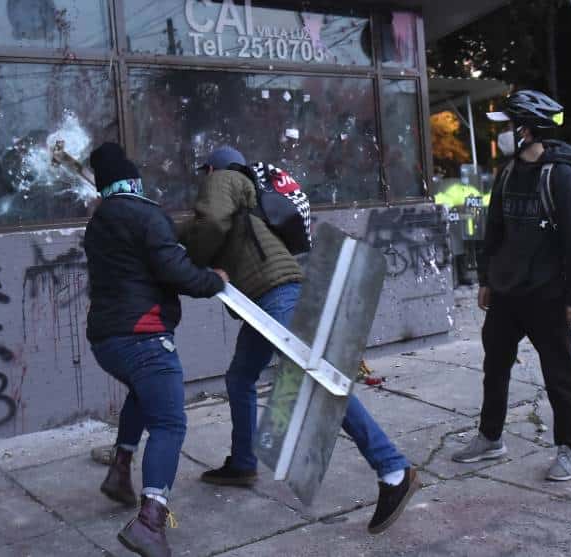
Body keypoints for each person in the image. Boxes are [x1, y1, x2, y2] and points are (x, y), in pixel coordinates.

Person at [180, 146, 420, 534]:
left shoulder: (224, 180)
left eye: (205, 170)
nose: (203, 178)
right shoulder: (247, 198)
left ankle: (393, 469)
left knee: (319, 382)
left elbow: (207, 226)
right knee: (240, 378)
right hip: (265, 300)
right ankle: (242, 462)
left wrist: (187, 255)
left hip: (274, 298)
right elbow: (206, 227)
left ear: (214, 168)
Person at [84, 142, 228, 557]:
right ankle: (150, 521)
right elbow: (174, 270)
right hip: (143, 335)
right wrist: (213, 279)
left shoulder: (100, 221)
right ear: (134, 179)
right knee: (169, 423)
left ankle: (120, 470)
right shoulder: (146, 214)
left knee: (142, 395)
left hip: (106, 340)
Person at [452, 90, 571, 481]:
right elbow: (492, 229)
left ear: (529, 130)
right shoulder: (509, 172)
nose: (508, 135)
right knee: (494, 367)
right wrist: (485, 279)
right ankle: (490, 437)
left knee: (559, 374)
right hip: (506, 294)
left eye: (513, 126)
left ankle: (568, 449)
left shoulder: (560, 176)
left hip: (548, 296)